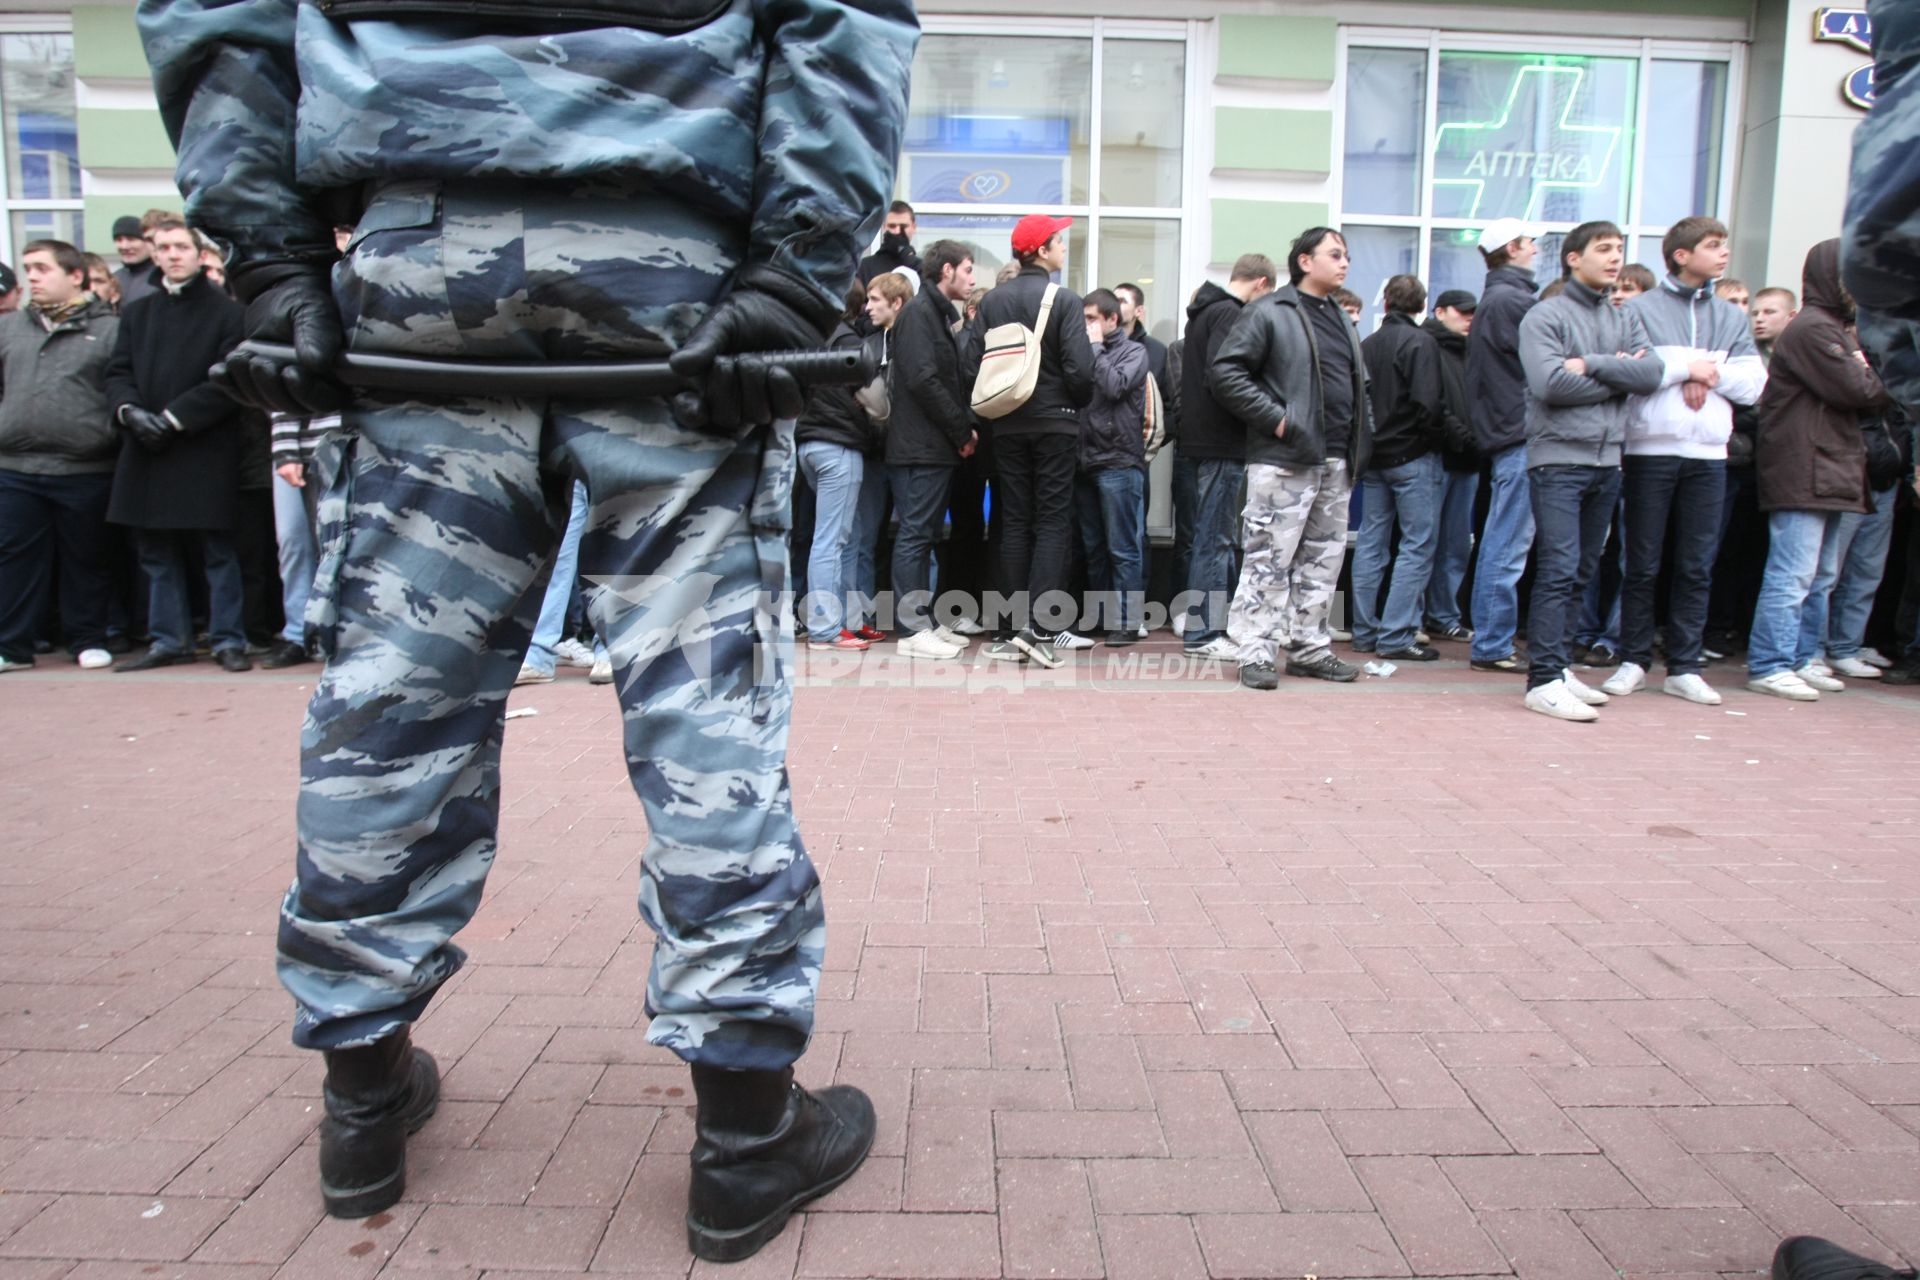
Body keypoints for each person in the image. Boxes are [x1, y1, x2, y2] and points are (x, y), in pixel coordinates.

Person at [138, 0, 916, 1261]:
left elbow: (213, 17)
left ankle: (364, 1096)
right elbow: (839, 22)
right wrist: (792, 273)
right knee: (701, 704)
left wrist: (276, 263)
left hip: (421, 248)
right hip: (671, 261)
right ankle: (741, 1137)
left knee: (394, 697)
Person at [1602, 216, 1766, 707]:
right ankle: (1632, 659)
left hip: (1709, 454)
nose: (1723, 254)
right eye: (1713, 246)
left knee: (1697, 564)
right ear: (1681, 254)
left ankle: (1685, 665)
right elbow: (1634, 370)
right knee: (1642, 561)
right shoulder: (1641, 309)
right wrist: (1684, 369)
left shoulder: (1732, 316)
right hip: (1651, 450)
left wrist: (1705, 374)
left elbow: (1755, 384)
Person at [1515, 219, 1665, 722]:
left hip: (1609, 459)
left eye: (1620, 249)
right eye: (1603, 249)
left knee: (1582, 570)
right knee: (1558, 568)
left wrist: (1594, 364)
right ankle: (1542, 680)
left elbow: (1651, 374)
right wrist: (1618, 373)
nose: (1615, 258)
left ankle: (1559, 668)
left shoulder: (1626, 316)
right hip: (1558, 458)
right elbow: (1551, 385)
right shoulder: (1546, 315)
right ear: (1574, 257)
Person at [1212, 226, 1373, 690]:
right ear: (1305, 261)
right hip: (1285, 458)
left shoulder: (1341, 318)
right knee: (1268, 558)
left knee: (1323, 560)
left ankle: (1309, 648)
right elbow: (1226, 372)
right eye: (1335, 254)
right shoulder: (1271, 310)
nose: (1345, 263)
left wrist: (1364, 438)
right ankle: (1254, 651)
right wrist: (1279, 420)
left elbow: (1358, 385)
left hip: (1336, 460)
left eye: (1347, 256)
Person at [104, 217, 249, 674]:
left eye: (180, 247)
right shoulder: (137, 312)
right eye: (162, 247)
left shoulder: (229, 313)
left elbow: (229, 378)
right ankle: (169, 639)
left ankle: (229, 640)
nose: (171, 254)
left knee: (217, 551)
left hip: (202, 446)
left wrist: (173, 418)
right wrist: (131, 412)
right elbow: (117, 372)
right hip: (145, 447)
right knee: (154, 551)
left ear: (199, 253)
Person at [1747, 239, 1889, 700]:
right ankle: (1771, 662)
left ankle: (1803, 657)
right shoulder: (1812, 329)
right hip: (1804, 468)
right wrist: (1862, 368)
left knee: (1821, 576)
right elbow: (1861, 390)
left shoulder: (1834, 330)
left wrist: (1862, 367)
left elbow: (1863, 384)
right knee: (1793, 574)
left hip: (1829, 468)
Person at [0, 239, 122, 673]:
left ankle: (87, 638)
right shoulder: (11, 327)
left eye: (41, 268)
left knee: (86, 558)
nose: (31, 276)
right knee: (14, 557)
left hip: (84, 466)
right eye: (28, 268)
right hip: (15, 466)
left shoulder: (109, 328)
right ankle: (12, 646)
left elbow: (119, 388)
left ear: (75, 276)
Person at [978, 213, 1094, 668]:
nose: (1064, 248)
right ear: (1042, 251)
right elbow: (1081, 371)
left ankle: (1011, 626)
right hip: (1056, 423)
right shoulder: (1063, 300)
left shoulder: (992, 302)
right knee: (1051, 521)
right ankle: (1042, 629)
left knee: (1014, 520)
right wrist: (1073, 400)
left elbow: (974, 364)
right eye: (1059, 242)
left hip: (1006, 421)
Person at [1352, 273, 1453, 661]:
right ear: (1422, 306)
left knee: (1371, 543)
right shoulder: (1421, 342)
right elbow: (1428, 403)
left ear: (1386, 304)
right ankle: (1395, 635)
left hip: (1375, 456)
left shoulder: (1368, 344)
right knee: (1416, 545)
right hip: (1413, 457)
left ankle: (1364, 630)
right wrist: (1433, 441)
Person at [1178, 253, 1275, 659]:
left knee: (1215, 536)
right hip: (1221, 441)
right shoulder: (1229, 314)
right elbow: (1224, 378)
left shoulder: (1205, 312)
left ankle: (1219, 627)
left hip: (1204, 439)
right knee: (1216, 539)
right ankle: (1204, 633)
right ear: (1262, 285)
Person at [886, 239, 976, 659]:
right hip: (919, 448)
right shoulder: (920, 314)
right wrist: (962, 432)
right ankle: (911, 629)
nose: (973, 279)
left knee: (924, 537)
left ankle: (923, 620)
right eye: (968, 270)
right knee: (915, 536)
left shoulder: (934, 315)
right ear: (947, 271)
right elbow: (924, 381)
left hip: (930, 448)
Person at [1466, 218, 1542, 674]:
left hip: (1510, 432)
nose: (1535, 249)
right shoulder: (1512, 300)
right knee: (1508, 542)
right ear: (1513, 248)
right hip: (1519, 434)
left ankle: (1493, 640)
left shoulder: (1500, 298)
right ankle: (1493, 643)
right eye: (1530, 242)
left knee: (1506, 540)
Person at [794, 278, 886, 653]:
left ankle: (849, 621)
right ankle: (824, 628)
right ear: (857, 304)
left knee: (848, 535)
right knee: (832, 540)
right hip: (839, 446)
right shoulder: (848, 342)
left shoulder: (807, 336)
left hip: (809, 445)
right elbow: (878, 402)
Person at [1076, 288, 1150, 644]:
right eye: (1084, 319)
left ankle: (1128, 622)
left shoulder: (1134, 352)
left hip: (1119, 461)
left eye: (1092, 319)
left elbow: (1114, 385)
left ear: (1111, 320)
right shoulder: (1083, 352)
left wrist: (1093, 349)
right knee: (1093, 546)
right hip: (1086, 461)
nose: (1086, 325)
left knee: (1123, 548)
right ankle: (1102, 617)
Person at [1422, 289, 1478, 643]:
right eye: (1462, 311)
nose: (1469, 317)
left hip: (1468, 461)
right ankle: (1412, 617)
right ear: (1440, 311)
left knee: (1456, 544)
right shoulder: (1428, 347)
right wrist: (1466, 437)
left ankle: (1443, 616)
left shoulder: (1474, 352)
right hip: (1437, 458)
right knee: (1424, 543)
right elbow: (1433, 405)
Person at [858, 200, 919, 287]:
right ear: (884, 227)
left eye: (904, 226)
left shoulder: (922, 269)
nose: (898, 231)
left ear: (914, 227)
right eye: (892, 226)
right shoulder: (865, 268)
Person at [111, 215, 158, 309]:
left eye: (131, 239)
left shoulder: (161, 277)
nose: (124, 246)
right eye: (119, 240)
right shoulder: (114, 278)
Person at [1752, 287, 1797, 357]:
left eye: (1769, 312)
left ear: (1791, 316)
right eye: (1755, 313)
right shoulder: (1742, 354)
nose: (1758, 319)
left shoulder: (1806, 354)